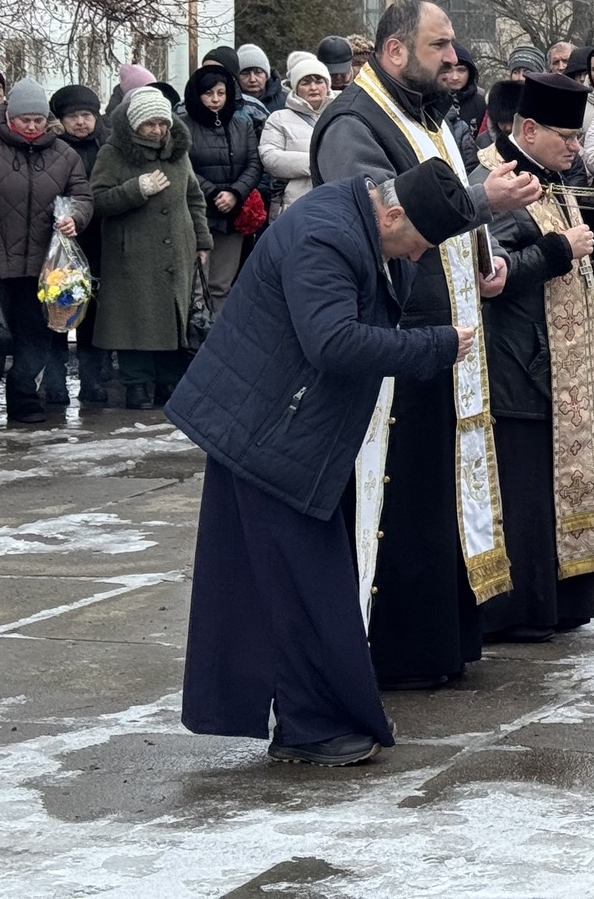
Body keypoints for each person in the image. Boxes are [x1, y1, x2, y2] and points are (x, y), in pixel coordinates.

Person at [168, 159, 482, 767]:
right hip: (267, 430)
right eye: (416, 243)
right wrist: (435, 345)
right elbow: (332, 342)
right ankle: (316, 725)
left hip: (280, 424)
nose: (415, 257)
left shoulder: (360, 215)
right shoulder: (326, 235)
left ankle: (309, 722)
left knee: (293, 584)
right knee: (303, 586)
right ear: (391, 213)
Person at [309, 0, 543, 691]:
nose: (453, 57)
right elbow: (382, 216)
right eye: (439, 45)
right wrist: (481, 202)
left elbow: (450, 212)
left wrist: (486, 252)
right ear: (393, 52)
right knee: (400, 503)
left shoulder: (428, 119)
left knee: (437, 498)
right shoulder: (353, 122)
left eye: (452, 45)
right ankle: (394, 653)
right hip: (393, 346)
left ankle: (440, 645)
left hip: (445, 344)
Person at [474, 73, 594, 643]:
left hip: (560, 364)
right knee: (526, 491)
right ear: (529, 129)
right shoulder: (494, 181)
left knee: (554, 483)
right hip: (518, 364)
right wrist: (559, 250)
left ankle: (564, 603)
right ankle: (523, 609)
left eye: (577, 135)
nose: (574, 147)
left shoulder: (552, 178)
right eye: (565, 135)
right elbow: (488, 275)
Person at [0, 77, 92, 426]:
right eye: (24, 119)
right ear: (9, 116)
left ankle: (25, 400)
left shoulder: (65, 154)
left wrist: (75, 218)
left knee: (36, 337)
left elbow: (82, 197)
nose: (31, 126)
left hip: (45, 268)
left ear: (47, 120)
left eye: (38, 120)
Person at [89, 86, 213, 410]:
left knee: (175, 319)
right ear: (134, 125)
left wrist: (202, 241)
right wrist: (135, 189)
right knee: (135, 320)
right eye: (150, 124)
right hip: (132, 254)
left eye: (162, 123)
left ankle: (169, 384)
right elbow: (97, 201)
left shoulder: (178, 152)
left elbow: (194, 199)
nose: (157, 131)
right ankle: (136, 385)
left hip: (178, 251)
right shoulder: (113, 153)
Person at [182, 61, 261, 318]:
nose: (215, 100)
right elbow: (183, 166)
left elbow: (254, 163)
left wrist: (236, 193)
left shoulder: (242, 122)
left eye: (221, 93)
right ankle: (192, 343)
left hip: (232, 214)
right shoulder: (183, 124)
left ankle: (216, 342)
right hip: (198, 213)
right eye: (208, 93)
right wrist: (213, 193)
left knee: (221, 285)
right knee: (195, 285)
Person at [51, 84, 113, 409]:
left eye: (86, 115)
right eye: (72, 116)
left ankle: (93, 379)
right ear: (60, 119)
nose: (80, 122)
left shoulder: (108, 145)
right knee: (59, 307)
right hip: (60, 243)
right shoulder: (53, 148)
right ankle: (55, 382)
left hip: (99, 241)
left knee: (94, 315)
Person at [260, 55, 334, 216]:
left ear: (327, 85)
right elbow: (270, 157)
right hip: (294, 206)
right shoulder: (279, 119)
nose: (313, 87)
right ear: (295, 87)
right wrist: (315, 163)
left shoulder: (341, 114)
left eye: (319, 81)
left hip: (335, 202)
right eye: (306, 82)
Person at [438, 55, 486, 142]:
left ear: (470, 72)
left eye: (461, 70)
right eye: (448, 70)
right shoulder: (429, 102)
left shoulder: (481, 103)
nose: (455, 77)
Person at [237, 45, 286, 117]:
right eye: (245, 73)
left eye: (258, 72)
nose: (252, 79)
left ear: (267, 76)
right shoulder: (229, 103)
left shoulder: (285, 102)